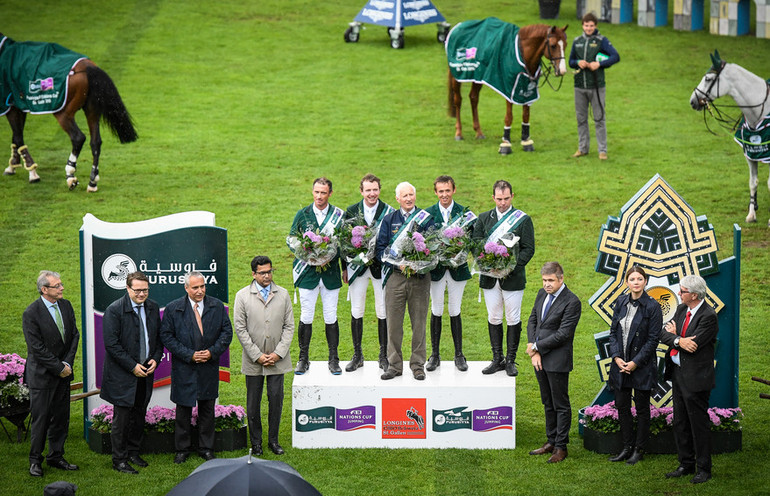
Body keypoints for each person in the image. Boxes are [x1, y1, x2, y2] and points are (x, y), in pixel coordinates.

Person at [160, 271, 233, 464]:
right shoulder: (173, 308)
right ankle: (182, 449)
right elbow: (166, 336)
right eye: (195, 287)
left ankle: (206, 448)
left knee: (207, 408)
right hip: (184, 367)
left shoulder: (217, 306)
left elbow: (227, 332)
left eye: (202, 286)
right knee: (183, 409)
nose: (200, 291)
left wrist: (211, 352)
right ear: (186, 288)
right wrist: (189, 355)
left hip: (208, 366)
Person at [100, 271, 163, 474]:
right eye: (137, 290)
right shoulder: (114, 310)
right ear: (127, 288)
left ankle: (133, 452)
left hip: (145, 371)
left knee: (139, 413)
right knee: (122, 418)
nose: (142, 294)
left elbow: (158, 339)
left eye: (145, 290)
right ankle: (119, 459)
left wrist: (155, 357)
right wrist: (132, 366)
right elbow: (111, 345)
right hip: (123, 374)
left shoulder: (152, 307)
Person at [471, 180, 535, 376]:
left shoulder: (523, 220)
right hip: (490, 277)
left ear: (512, 196)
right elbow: (475, 245)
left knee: (513, 317)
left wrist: (509, 266)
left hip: (513, 278)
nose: (503, 203)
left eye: (506, 198)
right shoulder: (483, 218)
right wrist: (490, 265)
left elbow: (528, 249)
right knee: (494, 316)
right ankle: (497, 358)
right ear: (493, 198)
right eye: (499, 199)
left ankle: (511, 361)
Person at [659, 275, 719, 484]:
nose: (678, 293)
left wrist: (677, 339)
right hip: (678, 375)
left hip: (696, 378)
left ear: (694, 295)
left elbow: (694, 345)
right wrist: (678, 340)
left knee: (698, 424)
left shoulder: (708, 316)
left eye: (682, 291)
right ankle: (686, 464)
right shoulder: (682, 309)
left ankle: (704, 469)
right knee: (681, 422)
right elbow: (663, 334)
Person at [233, 256, 294, 456]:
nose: (267, 276)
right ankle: (256, 443)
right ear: (253, 274)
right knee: (253, 404)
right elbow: (240, 329)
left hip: (278, 360)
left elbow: (289, 326)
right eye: (262, 273)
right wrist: (257, 355)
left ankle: (274, 441)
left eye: (269, 271)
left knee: (276, 401)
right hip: (253, 361)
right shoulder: (242, 296)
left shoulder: (283, 294)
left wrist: (278, 353)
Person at [22, 271, 80, 477]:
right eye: (57, 285)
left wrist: (67, 363)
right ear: (44, 289)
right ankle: (35, 460)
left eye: (61, 284)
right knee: (42, 419)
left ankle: (56, 456)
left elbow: (74, 335)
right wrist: (58, 367)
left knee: (61, 418)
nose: (62, 287)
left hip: (63, 373)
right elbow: (36, 348)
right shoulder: (32, 313)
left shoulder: (66, 305)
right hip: (43, 376)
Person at [376, 181, 435, 381]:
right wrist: (397, 265)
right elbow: (380, 248)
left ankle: (418, 365)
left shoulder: (426, 219)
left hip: (419, 278)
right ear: (398, 199)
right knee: (393, 323)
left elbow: (433, 247)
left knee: (419, 322)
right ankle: (394, 365)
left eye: (411, 195)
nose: (409, 199)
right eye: (405, 196)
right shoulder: (389, 219)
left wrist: (420, 263)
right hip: (395, 277)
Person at [526, 262, 582, 463]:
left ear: (561, 278)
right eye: (544, 280)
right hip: (539, 357)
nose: (547, 284)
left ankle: (561, 446)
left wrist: (537, 348)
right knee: (547, 401)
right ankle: (550, 440)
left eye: (550, 280)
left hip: (557, 359)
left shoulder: (572, 301)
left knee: (560, 403)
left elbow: (564, 334)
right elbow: (533, 320)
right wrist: (533, 346)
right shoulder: (542, 294)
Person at [606, 266, 663, 465]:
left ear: (645, 282)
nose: (636, 282)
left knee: (641, 409)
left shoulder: (653, 306)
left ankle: (639, 449)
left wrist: (635, 363)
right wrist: (615, 357)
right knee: (622, 407)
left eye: (640, 279)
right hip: (620, 365)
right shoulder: (621, 301)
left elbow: (653, 340)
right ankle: (626, 447)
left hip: (642, 366)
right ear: (627, 282)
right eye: (632, 279)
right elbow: (613, 333)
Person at [290, 177, 345, 375]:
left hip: (330, 273)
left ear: (330, 193)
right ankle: (303, 358)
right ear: (312, 192)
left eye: (323, 193)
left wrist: (338, 262)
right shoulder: (303, 214)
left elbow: (345, 244)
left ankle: (333, 358)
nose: (319, 196)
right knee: (306, 315)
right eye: (316, 192)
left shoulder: (338, 215)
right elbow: (291, 238)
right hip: (308, 274)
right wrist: (305, 251)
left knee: (331, 315)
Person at [342, 173, 394, 372]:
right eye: (368, 190)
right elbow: (344, 241)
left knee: (382, 310)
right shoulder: (351, 211)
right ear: (361, 191)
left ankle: (384, 355)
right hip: (358, 267)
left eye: (375, 190)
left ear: (379, 190)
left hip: (381, 267)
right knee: (357, 310)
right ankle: (357, 355)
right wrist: (345, 267)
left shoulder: (389, 211)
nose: (372, 194)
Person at [425, 175, 472, 372]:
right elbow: (423, 243)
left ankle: (459, 354)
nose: (444, 194)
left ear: (454, 190)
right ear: (435, 192)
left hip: (457, 269)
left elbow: (471, 240)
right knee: (436, 309)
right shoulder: (427, 214)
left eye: (447, 190)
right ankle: (435, 355)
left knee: (455, 309)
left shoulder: (465, 213)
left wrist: (459, 252)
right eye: (441, 191)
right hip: (435, 271)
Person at [568, 12, 620, 160]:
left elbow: (615, 57)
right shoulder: (577, 41)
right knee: (581, 119)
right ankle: (582, 148)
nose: (589, 28)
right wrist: (578, 63)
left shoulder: (601, 40)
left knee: (599, 118)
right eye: (586, 25)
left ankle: (602, 151)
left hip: (597, 86)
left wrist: (599, 64)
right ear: (582, 26)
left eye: (591, 25)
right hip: (579, 86)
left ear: (595, 26)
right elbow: (570, 61)